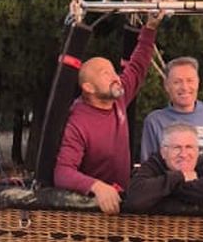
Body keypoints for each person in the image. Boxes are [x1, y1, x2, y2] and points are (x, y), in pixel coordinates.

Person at [53, 13, 162, 212]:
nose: (116, 77)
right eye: (106, 74)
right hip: (92, 208)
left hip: (122, 201)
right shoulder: (77, 122)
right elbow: (63, 172)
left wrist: (150, 28)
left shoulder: (117, 98)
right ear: (89, 88)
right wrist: (96, 186)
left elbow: (137, 67)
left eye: (114, 71)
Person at [140, 55, 203, 189]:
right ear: (166, 86)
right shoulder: (155, 121)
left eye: (190, 80)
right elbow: (148, 171)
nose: (185, 87)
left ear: (198, 82)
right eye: (177, 82)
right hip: (178, 204)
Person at [122, 123, 203, 213]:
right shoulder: (153, 165)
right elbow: (135, 199)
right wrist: (179, 177)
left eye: (189, 147)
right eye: (177, 148)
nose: (183, 154)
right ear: (163, 152)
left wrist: (162, 190)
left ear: (197, 151)